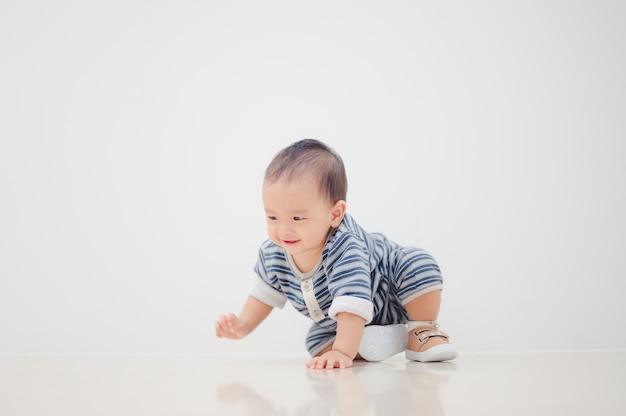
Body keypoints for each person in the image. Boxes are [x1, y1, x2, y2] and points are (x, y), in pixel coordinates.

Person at [215, 139, 457, 369]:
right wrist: (243, 325)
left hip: (389, 294)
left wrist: (342, 350)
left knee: (417, 264)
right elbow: (262, 295)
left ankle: (422, 330)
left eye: (297, 218)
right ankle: (382, 340)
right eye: (273, 217)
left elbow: (352, 299)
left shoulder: (343, 246)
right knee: (316, 343)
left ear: (335, 214)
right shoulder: (273, 254)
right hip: (340, 320)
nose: (283, 229)